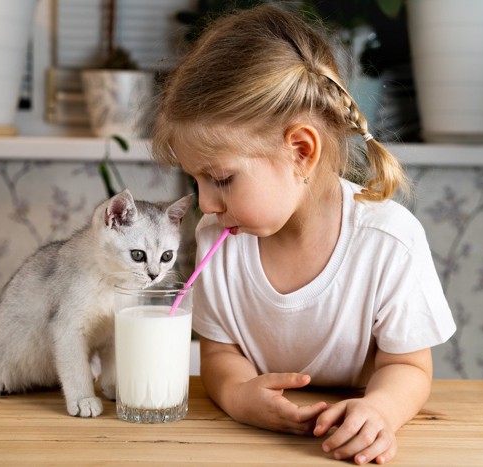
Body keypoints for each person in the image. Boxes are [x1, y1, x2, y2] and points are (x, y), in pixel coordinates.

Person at [152, 4, 456, 465]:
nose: (206, 204)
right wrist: (238, 395)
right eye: (196, 181)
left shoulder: (389, 243)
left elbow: (408, 366)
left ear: (300, 151)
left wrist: (380, 411)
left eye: (221, 179)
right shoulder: (219, 238)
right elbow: (219, 355)